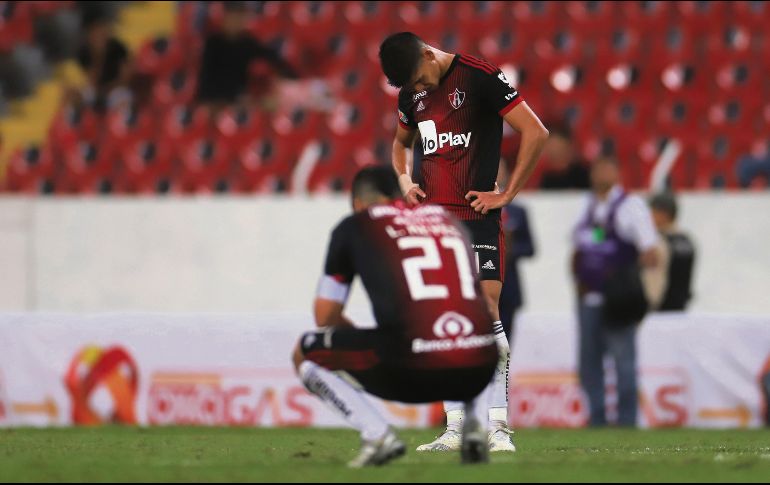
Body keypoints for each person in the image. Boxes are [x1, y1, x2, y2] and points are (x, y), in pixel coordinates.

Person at [380, 32, 549, 452]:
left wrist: (507, 193)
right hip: (434, 225)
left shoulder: (480, 76)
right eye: (411, 86)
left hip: (476, 218)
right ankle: (455, 427)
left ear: (426, 53)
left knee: (487, 311)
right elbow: (400, 145)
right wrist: (404, 180)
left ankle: (497, 428)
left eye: (419, 79)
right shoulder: (410, 96)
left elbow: (536, 131)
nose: (418, 90)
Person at [291, 166, 500, 467]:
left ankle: (378, 436)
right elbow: (482, 305)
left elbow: (325, 316)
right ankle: (475, 426)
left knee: (307, 353)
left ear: (359, 203)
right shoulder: (446, 220)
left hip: (411, 365)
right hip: (481, 365)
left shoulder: (356, 225)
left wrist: (370, 338)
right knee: (471, 335)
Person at [572, 157, 660, 427]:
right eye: (597, 168)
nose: (601, 173)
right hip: (588, 298)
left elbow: (651, 253)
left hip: (617, 300)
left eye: (607, 167)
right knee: (589, 365)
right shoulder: (588, 206)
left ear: (617, 172)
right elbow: (583, 246)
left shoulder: (631, 206)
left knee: (623, 363)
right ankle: (597, 419)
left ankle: (626, 421)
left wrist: (624, 278)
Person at [196, 2, 296, 109]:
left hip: (238, 99)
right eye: (233, 17)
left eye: (240, 17)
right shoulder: (213, 43)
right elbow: (205, 79)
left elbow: (272, 58)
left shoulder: (247, 42)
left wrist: (288, 75)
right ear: (225, 17)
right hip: (215, 100)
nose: (237, 21)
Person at [649, 193, 696, 311]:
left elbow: (654, 283)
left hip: (659, 312)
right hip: (680, 309)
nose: (649, 216)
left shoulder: (657, 242)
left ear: (664, 214)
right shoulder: (687, 241)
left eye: (653, 212)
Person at [76, 14, 132, 111]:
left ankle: (117, 125)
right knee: (75, 97)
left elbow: (126, 77)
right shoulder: (85, 51)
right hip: (98, 89)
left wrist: (109, 88)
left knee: (123, 98)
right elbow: (92, 80)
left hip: (116, 87)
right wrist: (98, 55)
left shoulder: (117, 47)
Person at [499, 202, 536, 344]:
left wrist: (508, 249)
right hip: (484, 283)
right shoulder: (473, 209)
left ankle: (503, 366)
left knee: (505, 337)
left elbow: (530, 248)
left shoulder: (517, 211)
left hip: (509, 284)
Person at [539, 124, 590, 191]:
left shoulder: (583, 175)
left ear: (568, 146)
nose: (553, 150)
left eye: (556, 145)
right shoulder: (546, 178)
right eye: (550, 145)